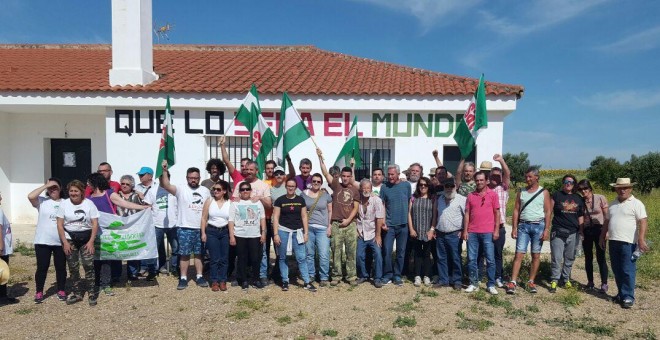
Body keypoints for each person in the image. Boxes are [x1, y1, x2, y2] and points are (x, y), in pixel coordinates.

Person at [87, 172, 148, 295]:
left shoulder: (109, 193)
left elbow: (124, 203)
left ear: (95, 182)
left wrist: (143, 208)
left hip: (108, 231)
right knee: (95, 259)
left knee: (107, 258)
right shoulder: (88, 198)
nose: (87, 184)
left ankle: (106, 283)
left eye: (89, 182)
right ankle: (97, 283)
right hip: (94, 231)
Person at [159, 163, 212, 290]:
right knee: (184, 254)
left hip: (200, 228)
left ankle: (199, 276)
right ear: (187, 178)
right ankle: (183, 278)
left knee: (199, 254)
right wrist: (165, 170)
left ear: (199, 178)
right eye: (191, 178)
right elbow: (166, 185)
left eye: (196, 178)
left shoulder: (205, 191)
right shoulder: (180, 189)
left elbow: (210, 207)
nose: (193, 180)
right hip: (184, 227)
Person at [600, 178, 648, 309]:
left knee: (627, 270)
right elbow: (606, 222)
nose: (622, 190)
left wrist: (641, 239)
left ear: (630, 189)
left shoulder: (636, 203)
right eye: (620, 188)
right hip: (613, 241)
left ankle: (628, 296)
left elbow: (643, 221)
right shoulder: (612, 204)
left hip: (628, 242)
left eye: (625, 188)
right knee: (617, 269)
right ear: (616, 189)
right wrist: (602, 236)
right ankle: (621, 294)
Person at [506, 168, 552, 294]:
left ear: (537, 177)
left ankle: (531, 281)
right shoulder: (521, 191)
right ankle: (513, 281)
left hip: (538, 226)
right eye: (526, 177)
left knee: (536, 255)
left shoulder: (544, 192)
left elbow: (548, 211)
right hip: (523, 226)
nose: (527, 179)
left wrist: (546, 229)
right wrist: (514, 227)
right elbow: (516, 209)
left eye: (530, 177)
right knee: (519, 254)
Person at [56, 180, 100, 306]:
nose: (73, 193)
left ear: (81, 192)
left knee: (88, 266)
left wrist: (91, 241)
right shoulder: (64, 204)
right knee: (73, 267)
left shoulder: (89, 204)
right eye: (71, 191)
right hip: (70, 238)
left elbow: (95, 223)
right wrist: (64, 242)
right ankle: (77, 293)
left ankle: (92, 293)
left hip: (86, 238)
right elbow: (59, 224)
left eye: (76, 191)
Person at [28, 179, 67, 303]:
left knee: (61, 267)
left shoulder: (66, 202)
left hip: (60, 241)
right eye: (50, 188)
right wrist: (46, 185)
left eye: (55, 187)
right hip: (42, 241)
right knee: (42, 267)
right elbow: (30, 196)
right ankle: (39, 291)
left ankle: (61, 289)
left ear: (61, 188)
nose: (52, 190)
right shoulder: (42, 202)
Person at [273, 178, 316, 292]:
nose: (290, 188)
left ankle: (307, 282)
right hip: (283, 231)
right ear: (286, 187)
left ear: (295, 187)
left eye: (293, 186)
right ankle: (285, 281)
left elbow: (304, 217)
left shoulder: (300, 200)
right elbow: (276, 217)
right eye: (288, 186)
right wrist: (276, 234)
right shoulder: (279, 200)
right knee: (283, 257)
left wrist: (306, 232)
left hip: (297, 232)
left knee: (301, 257)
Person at [463, 171, 500, 295]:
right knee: (472, 259)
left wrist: (496, 230)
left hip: (488, 232)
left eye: (481, 180)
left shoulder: (493, 195)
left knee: (490, 259)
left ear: (486, 181)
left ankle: (490, 284)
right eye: (477, 180)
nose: (479, 182)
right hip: (473, 232)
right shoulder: (471, 196)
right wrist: (465, 230)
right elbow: (467, 213)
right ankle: (474, 283)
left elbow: (497, 213)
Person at [548, 174, 584, 293]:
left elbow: (580, 215)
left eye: (571, 182)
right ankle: (554, 280)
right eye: (566, 181)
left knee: (569, 257)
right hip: (558, 231)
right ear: (563, 183)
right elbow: (548, 211)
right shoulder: (556, 195)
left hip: (573, 232)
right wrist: (546, 227)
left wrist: (581, 230)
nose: (568, 184)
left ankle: (566, 278)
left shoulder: (578, 198)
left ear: (574, 184)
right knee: (557, 257)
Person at [325, 166, 360, 286]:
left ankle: (351, 276)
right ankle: (336, 275)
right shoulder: (336, 186)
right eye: (343, 176)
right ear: (340, 176)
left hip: (350, 224)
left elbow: (356, 208)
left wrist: (348, 220)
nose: (345, 178)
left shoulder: (355, 190)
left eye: (347, 176)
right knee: (336, 251)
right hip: (336, 223)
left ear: (351, 177)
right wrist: (320, 158)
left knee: (351, 252)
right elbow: (325, 173)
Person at [265, 166, 301, 284]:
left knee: (294, 252)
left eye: (281, 173)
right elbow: (270, 205)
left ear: (284, 175)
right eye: (276, 174)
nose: (279, 176)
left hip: (292, 225)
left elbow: (302, 198)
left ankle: (290, 273)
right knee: (279, 252)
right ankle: (278, 276)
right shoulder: (271, 189)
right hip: (277, 225)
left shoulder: (290, 186)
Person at [229, 182, 267, 290]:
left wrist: (263, 232)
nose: (245, 191)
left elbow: (262, 218)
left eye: (247, 189)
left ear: (250, 190)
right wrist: (232, 236)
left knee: (255, 258)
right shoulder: (235, 203)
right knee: (242, 258)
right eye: (242, 189)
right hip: (240, 235)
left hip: (254, 235)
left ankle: (256, 279)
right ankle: (243, 280)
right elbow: (231, 220)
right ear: (240, 192)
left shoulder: (257, 202)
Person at [380, 164, 412, 286]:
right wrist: (383, 221)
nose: (390, 176)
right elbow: (382, 205)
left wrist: (409, 223)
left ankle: (397, 275)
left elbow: (409, 203)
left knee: (401, 252)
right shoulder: (384, 187)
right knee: (387, 251)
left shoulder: (406, 185)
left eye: (392, 174)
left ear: (398, 174)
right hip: (389, 226)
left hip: (403, 225)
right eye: (388, 174)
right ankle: (387, 274)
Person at [142, 170, 179, 276]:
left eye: (165, 178)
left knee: (176, 248)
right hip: (156, 224)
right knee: (154, 249)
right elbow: (147, 206)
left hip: (173, 224)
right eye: (161, 178)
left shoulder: (175, 190)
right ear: (158, 179)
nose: (163, 180)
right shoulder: (152, 191)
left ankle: (175, 267)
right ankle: (153, 271)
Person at [577, 179, 609, 293]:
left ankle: (604, 283)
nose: (583, 191)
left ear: (590, 188)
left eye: (585, 188)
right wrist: (581, 231)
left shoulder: (600, 198)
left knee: (601, 257)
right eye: (580, 189)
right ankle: (590, 282)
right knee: (588, 257)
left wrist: (607, 231)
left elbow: (606, 215)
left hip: (600, 229)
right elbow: (580, 217)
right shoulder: (581, 201)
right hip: (587, 230)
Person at [434, 178, 466, 290]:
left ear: (456, 186)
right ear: (443, 187)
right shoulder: (440, 199)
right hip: (440, 233)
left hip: (454, 234)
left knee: (455, 257)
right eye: (446, 186)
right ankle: (444, 280)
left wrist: (464, 230)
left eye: (451, 186)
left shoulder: (462, 199)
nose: (449, 188)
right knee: (441, 257)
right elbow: (436, 214)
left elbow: (467, 216)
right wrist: (434, 229)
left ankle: (456, 280)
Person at [302, 173, 333, 286]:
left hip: (322, 228)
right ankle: (311, 275)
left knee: (324, 253)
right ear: (311, 182)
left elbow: (330, 211)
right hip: (308, 227)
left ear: (321, 183)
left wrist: (329, 226)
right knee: (309, 254)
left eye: (318, 182)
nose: (316, 183)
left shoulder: (325, 195)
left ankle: (324, 277)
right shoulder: (304, 194)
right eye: (314, 181)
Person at [201, 180, 231, 291]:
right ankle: (214, 281)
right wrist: (203, 233)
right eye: (214, 189)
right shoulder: (209, 201)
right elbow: (204, 218)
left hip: (225, 231)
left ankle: (222, 280)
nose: (216, 191)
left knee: (224, 258)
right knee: (214, 258)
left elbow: (231, 220)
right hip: (212, 231)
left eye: (218, 189)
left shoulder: (229, 203)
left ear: (224, 191)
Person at [355, 179, 385, 287]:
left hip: (373, 233)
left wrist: (378, 235)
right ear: (360, 189)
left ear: (371, 189)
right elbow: (354, 216)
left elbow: (379, 219)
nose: (366, 190)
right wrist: (355, 230)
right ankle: (363, 275)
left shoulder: (376, 200)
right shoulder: (357, 200)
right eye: (364, 187)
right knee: (359, 255)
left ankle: (377, 278)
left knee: (377, 254)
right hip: (361, 233)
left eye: (368, 188)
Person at [408, 176, 437, 287]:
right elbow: (409, 214)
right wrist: (411, 229)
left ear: (428, 186)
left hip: (427, 231)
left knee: (426, 254)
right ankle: (417, 276)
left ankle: (426, 276)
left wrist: (432, 230)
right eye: (421, 185)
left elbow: (434, 215)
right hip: (416, 230)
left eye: (425, 185)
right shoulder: (413, 198)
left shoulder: (432, 198)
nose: (423, 187)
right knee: (417, 254)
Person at [488, 154, 511, 288]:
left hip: (500, 227)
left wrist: (501, 160)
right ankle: (483, 276)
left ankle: (498, 277)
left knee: (497, 254)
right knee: (484, 253)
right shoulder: (485, 189)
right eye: (493, 176)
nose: (495, 178)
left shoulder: (503, 188)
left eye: (498, 176)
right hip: (486, 227)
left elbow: (507, 173)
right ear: (489, 177)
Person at [0, 190, 19, 304]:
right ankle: (2, 297)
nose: (1, 198)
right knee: (2, 272)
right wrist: (1, 247)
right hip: (2, 248)